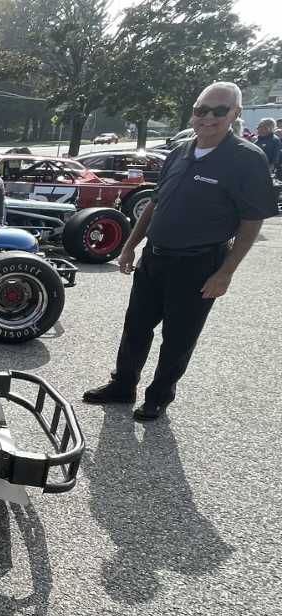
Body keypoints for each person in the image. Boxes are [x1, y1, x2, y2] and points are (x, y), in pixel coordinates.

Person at [83, 81, 278, 421]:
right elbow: (155, 205)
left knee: (178, 337)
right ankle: (123, 385)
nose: (208, 118)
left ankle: (159, 397)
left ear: (236, 114)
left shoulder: (247, 159)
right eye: (202, 110)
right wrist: (130, 247)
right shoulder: (180, 151)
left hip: (199, 264)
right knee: (136, 327)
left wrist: (225, 273)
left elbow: (251, 222)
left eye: (219, 111)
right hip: (155, 257)